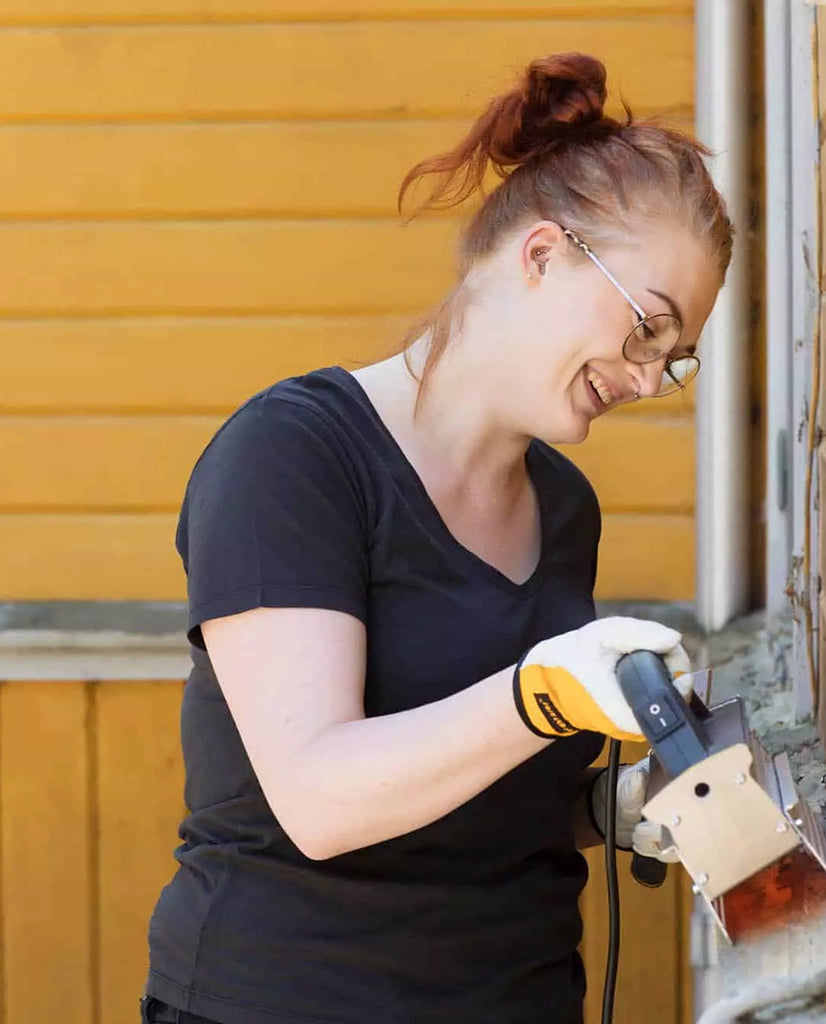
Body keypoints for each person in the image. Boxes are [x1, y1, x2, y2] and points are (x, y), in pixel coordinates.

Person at [141, 51, 733, 1024]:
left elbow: (470, 783)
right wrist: (541, 694)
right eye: (643, 329)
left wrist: (601, 807)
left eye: (673, 362)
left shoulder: (564, 508)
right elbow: (321, 798)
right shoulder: (293, 455)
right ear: (541, 255)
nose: (643, 380)